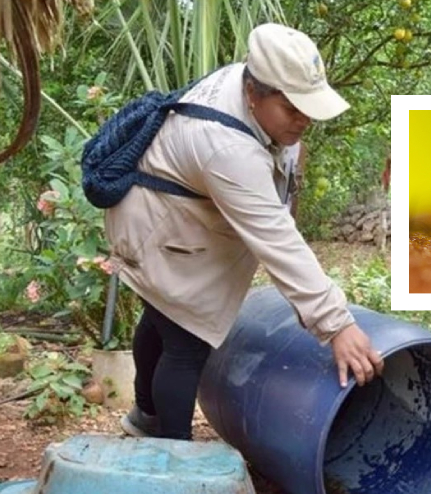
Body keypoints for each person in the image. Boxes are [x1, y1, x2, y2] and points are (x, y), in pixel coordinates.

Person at [105, 23, 384, 440]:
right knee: (186, 341)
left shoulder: (249, 81)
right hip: (158, 226)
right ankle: (174, 461)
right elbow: (275, 237)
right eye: (292, 109)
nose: (303, 120)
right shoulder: (227, 148)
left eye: (309, 108)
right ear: (255, 94)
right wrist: (336, 325)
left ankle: (145, 419)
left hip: (168, 214)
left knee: (162, 317)